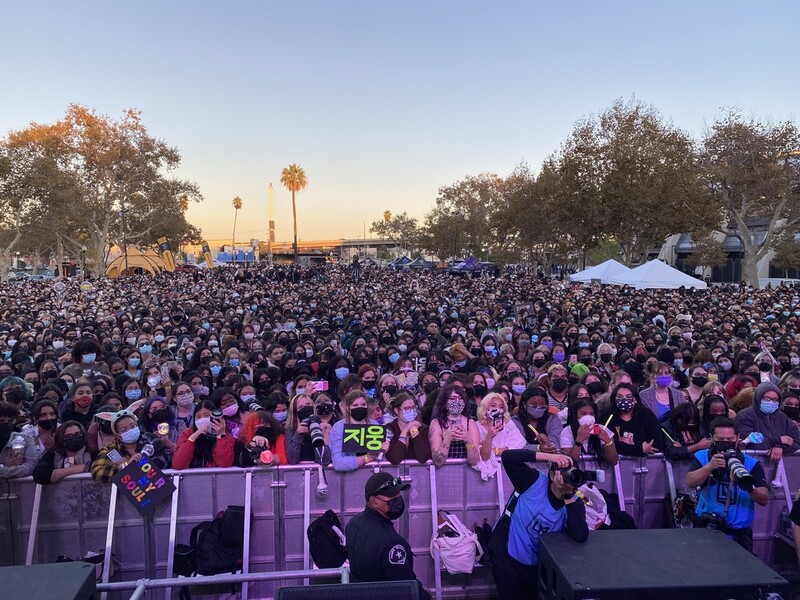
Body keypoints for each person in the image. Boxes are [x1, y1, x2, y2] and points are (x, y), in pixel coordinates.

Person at [488, 450, 588, 599]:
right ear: (553, 475)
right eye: (565, 473)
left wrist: (567, 495)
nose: (569, 480)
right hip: (506, 555)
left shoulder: (573, 502)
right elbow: (508, 457)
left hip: (537, 565)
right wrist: (550, 457)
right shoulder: (532, 482)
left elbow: (581, 535)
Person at [686, 416, 768, 551]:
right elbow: (690, 482)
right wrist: (709, 467)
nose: (725, 442)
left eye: (730, 439)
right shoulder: (702, 456)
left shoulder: (751, 463)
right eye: (720, 439)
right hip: (706, 527)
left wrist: (748, 485)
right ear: (711, 438)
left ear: (737, 438)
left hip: (738, 534)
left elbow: (764, 499)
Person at [345, 472, 430, 599]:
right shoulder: (393, 544)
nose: (398, 498)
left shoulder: (354, 523)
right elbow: (407, 589)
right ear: (374, 502)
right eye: (392, 496)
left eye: (398, 493)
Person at [91, 405, 169, 483]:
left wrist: (131, 467)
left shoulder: (150, 438)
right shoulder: (111, 449)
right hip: (123, 494)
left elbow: (161, 461)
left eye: (132, 426)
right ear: (117, 435)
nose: (130, 430)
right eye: (124, 429)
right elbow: (97, 472)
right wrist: (125, 465)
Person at [734, 382, 800, 461]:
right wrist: (779, 440)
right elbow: (746, 443)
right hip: (752, 463)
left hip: (781, 467)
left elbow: (796, 442)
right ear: (758, 398)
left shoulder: (783, 418)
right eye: (767, 398)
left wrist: (780, 447)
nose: (771, 402)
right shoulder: (745, 416)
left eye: (775, 399)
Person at [330, 390, 386, 471]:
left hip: (372, 474)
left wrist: (383, 451)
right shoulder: (339, 428)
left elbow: (379, 459)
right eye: (355, 405)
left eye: (363, 404)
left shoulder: (375, 425)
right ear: (348, 408)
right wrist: (367, 458)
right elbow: (338, 463)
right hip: (348, 478)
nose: (360, 407)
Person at [475, 392, 527, 480]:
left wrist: (495, 451)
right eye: (493, 405)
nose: (497, 409)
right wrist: (489, 437)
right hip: (482, 477)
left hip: (508, 472)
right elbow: (482, 455)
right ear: (485, 408)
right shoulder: (476, 427)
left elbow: (519, 446)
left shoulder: (508, 424)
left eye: (501, 407)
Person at [600, 383, 661, 457]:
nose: (624, 400)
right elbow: (613, 446)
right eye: (619, 397)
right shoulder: (607, 416)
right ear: (614, 399)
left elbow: (657, 441)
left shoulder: (645, 414)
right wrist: (640, 448)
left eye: (628, 397)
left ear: (635, 400)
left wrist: (627, 446)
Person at [429, 385, 481, 467]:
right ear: (444, 402)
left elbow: (474, 461)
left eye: (460, 398)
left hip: (466, 474)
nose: (457, 401)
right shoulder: (436, 424)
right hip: (443, 474)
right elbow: (438, 461)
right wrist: (447, 439)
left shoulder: (471, 423)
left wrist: (468, 440)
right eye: (453, 398)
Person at [384, 392, 431, 465]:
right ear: (397, 411)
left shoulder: (423, 429)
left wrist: (414, 431)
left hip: (419, 473)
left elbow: (423, 457)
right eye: (407, 408)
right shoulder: (389, 429)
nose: (411, 411)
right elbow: (395, 459)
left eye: (413, 408)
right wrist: (405, 431)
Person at [0, 401, 38, 479]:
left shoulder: (26, 439)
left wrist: (3, 470)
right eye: (1, 421)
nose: (6, 424)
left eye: (10, 421)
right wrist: (5, 466)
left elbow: (31, 466)